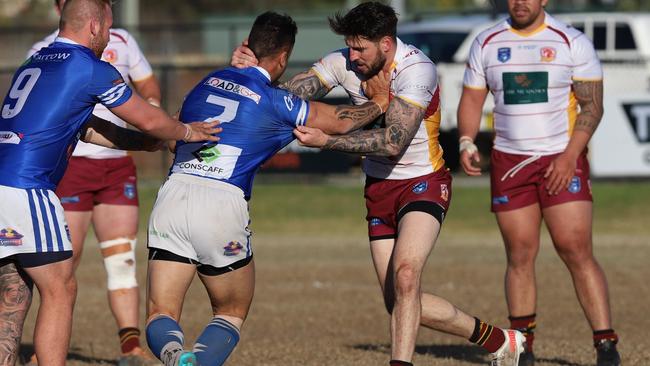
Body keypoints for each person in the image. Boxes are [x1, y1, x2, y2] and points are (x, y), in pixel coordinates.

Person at [232, 2, 525, 365]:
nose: (352, 56)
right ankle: (498, 340)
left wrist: (327, 141)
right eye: (349, 47)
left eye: (360, 48)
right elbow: (288, 96)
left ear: (386, 43)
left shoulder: (417, 70)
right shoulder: (343, 62)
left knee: (406, 277)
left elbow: (392, 141)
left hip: (424, 181)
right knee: (399, 298)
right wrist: (252, 75)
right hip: (378, 187)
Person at [144, 11, 392, 366]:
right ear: (283, 58)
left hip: (173, 194)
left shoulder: (204, 83)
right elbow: (338, 122)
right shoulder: (276, 101)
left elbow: (172, 143)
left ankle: (172, 354)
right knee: (230, 310)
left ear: (247, 45)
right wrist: (381, 101)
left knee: (160, 312)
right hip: (221, 203)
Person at [0, 0, 219, 365]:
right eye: (107, 26)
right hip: (28, 187)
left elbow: (87, 129)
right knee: (60, 288)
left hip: (2, 181)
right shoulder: (90, 68)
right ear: (94, 27)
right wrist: (186, 131)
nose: (108, 36)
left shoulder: (36, 59)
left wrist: (144, 144)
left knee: (12, 288)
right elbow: (147, 118)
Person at [456, 1, 620, 365]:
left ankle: (605, 342)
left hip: (562, 158)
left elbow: (592, 107)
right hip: (509, 163)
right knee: (519, 254)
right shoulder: (486, 41)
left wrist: (569, 156)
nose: (520, 2)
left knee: (575, 249)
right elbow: (471, 98)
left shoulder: (571, 41)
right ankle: (522, 346)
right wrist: (466, 140)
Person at [25, 1, 161, 363]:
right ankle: (45, 351)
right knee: (61, 267)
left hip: (116, 167)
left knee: (121, 259)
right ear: (61, 7)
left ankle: (131, 347)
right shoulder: (43, 50)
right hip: (73, 167)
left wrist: (150, 111)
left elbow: (149, 87)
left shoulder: (124, 40)